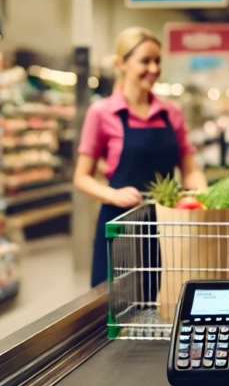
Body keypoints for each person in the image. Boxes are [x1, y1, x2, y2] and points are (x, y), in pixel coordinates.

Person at [74, 27, 206, 287]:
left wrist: (202, 193)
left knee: (162, 303)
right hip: (119, 223)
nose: (154, 68)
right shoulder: (101, 113)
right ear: (122, 63)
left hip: (166, 224)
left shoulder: (172, 113)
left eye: (158, 61)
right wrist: (113, 194)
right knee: (113, 306)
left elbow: (189, 169)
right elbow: (81, 177)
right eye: (145, 61)